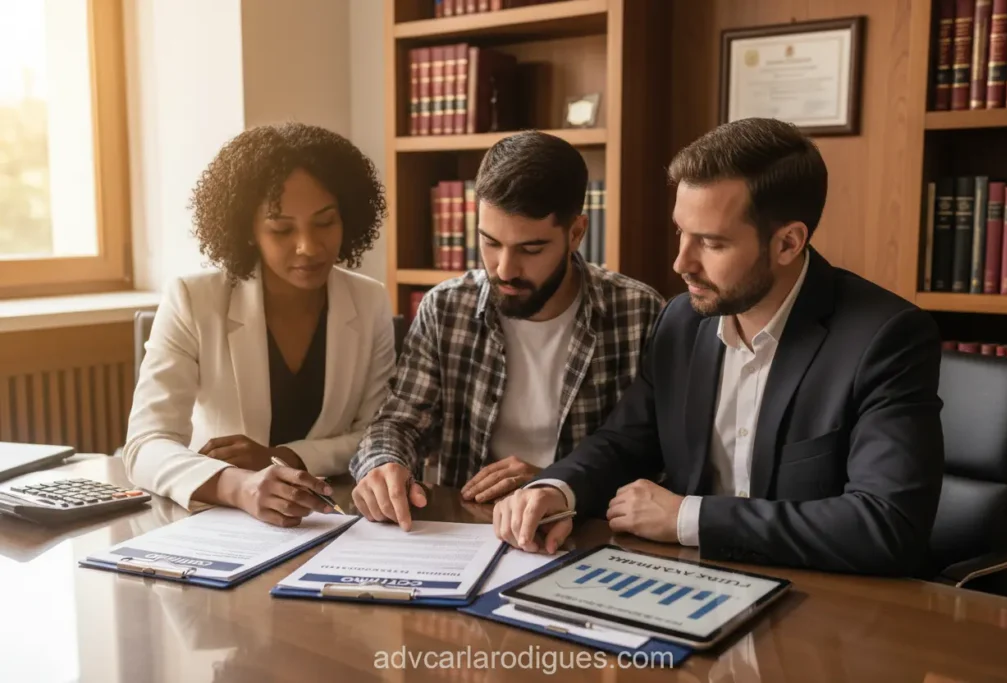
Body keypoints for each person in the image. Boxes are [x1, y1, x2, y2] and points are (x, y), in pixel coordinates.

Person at [493, 117, 945, 576]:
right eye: (681, 232)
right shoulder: (682, 320)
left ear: (788, 243)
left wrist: (688, 517)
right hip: (691, 580)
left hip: (827, 596)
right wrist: (557, 489)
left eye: (711, 243)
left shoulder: (885, 338)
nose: (681, 263)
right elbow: (624, 442)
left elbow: (888, 524)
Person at [348, 130, 664, 530]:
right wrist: (383, 464)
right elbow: (399, 422)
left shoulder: (638, 313)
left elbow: (654, 459)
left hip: (581, 531)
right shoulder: (446, 308)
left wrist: (557, 482)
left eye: (530, 249)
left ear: (576, 233)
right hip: (466, 530)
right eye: (490, 242)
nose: (504, 269)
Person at [123, 122, 395, 527]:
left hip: (333, 519)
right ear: (248, 230)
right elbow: (145, 445)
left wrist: (281, 457)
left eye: (325, 223)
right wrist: (238, 486)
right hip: (220, 521)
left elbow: (375, 433)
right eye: (281, 229)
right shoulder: (193, 300)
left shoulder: (369, 300)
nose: (308, 247)